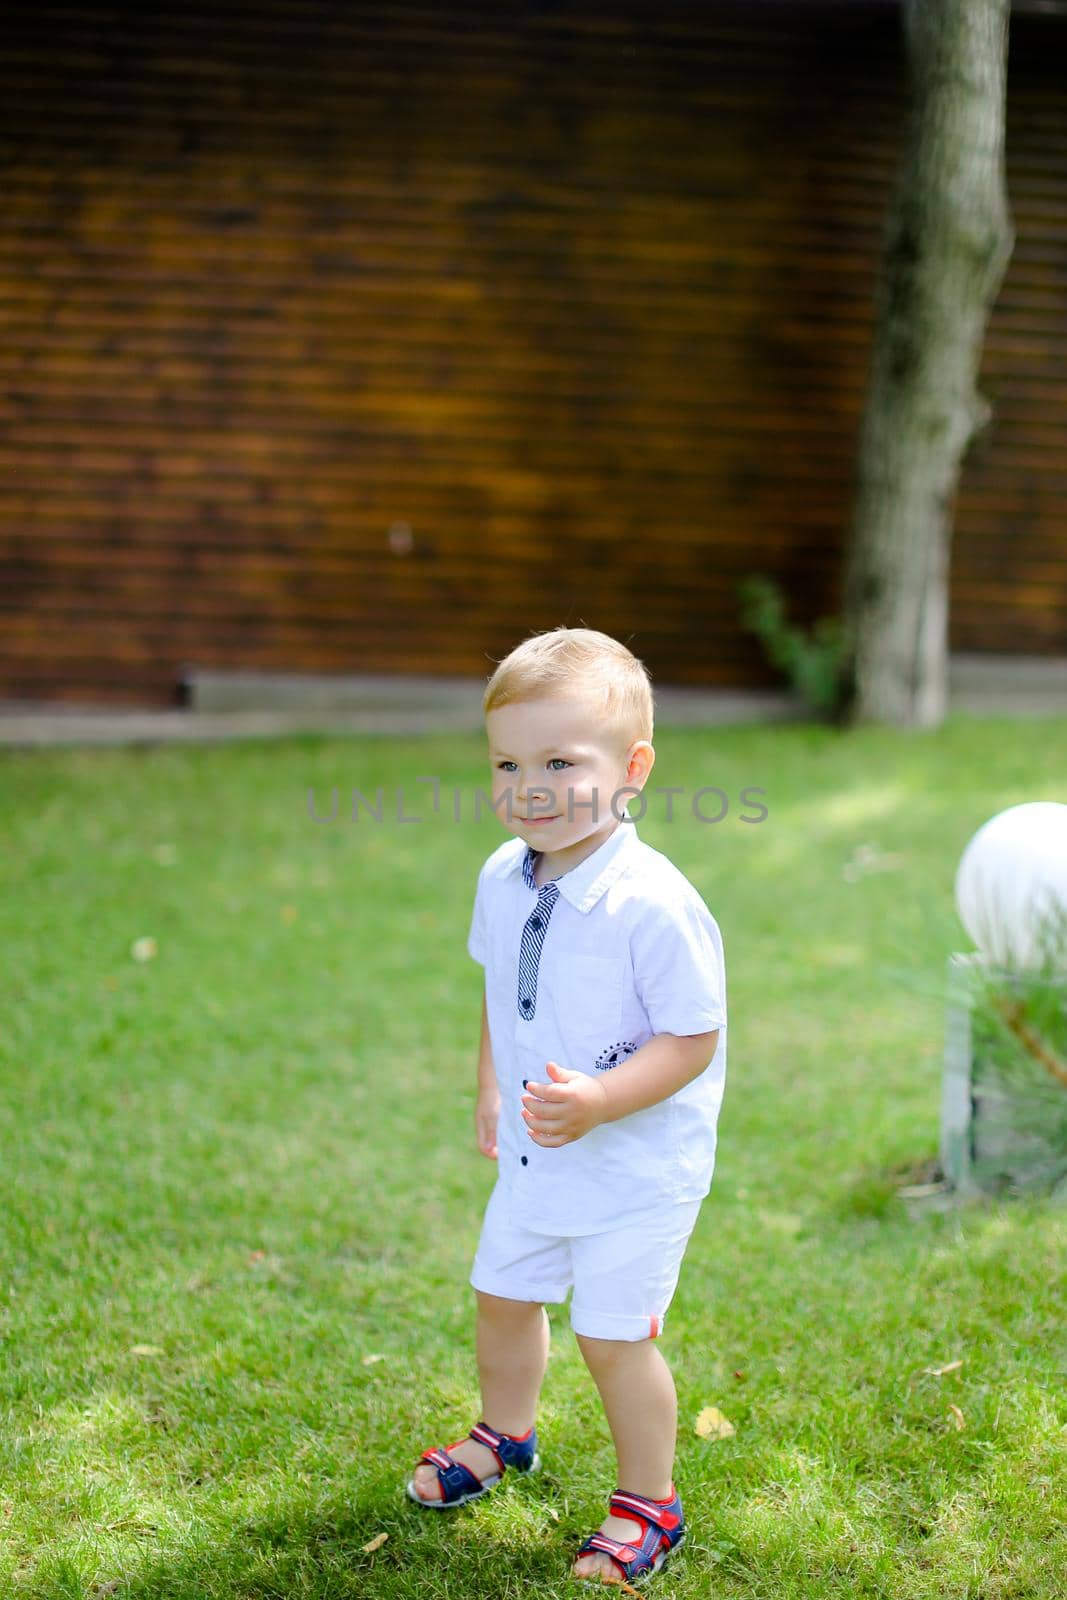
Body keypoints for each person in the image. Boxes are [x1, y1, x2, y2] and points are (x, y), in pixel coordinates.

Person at [406, 626, 728, 1588]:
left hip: (636, 1169)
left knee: (611, 1335)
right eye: (508, 763)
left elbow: (691, 1039)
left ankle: (648, 1504)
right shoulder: (503, 877)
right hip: (540, 1152)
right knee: (502, 1294)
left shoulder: (653, 903)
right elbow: (498, 990)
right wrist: (490, 1087)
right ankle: (504, 1434)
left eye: (560, 761)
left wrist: (601, 1098)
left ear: (631, 770)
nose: (529, 787)